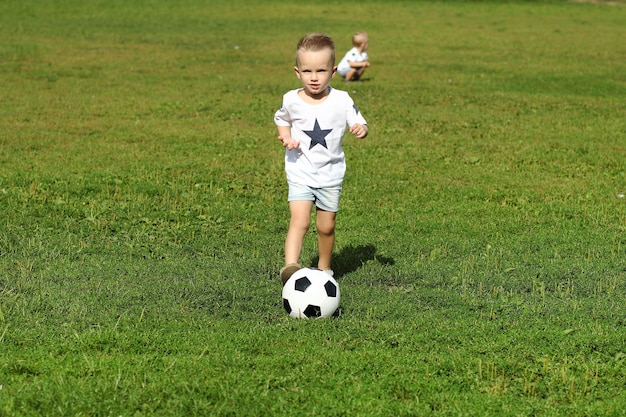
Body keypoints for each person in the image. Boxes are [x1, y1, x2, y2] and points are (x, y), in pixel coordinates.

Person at [274, 33, 369, 285]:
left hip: (330, 174)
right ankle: (291, 267)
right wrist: (286, 137)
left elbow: (359, 120)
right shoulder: (291, 100)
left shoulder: (342, 100)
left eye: (320, 70)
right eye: (307, 71)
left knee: (326, 226)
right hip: (300, 172)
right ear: (297, 72)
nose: (314, 77)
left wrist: (361, 128)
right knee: (300, 220)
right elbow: (281, 119)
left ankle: (324, 269)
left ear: (333, 71)